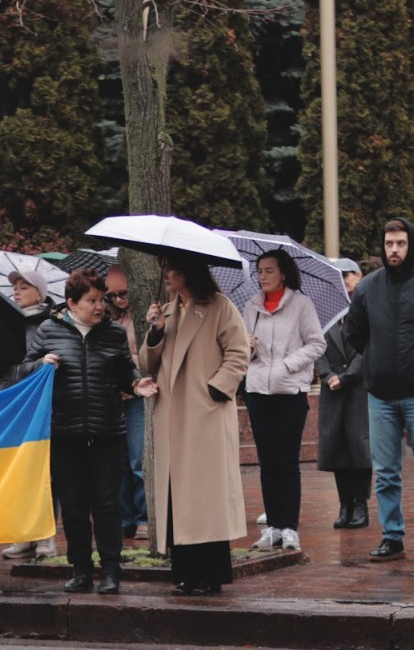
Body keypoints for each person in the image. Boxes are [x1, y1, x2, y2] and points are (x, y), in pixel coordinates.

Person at [19, 269, 149, 593]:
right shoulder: (48, 330)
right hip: (65, 434)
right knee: (74, 509)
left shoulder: (114, 333)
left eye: (102, 300)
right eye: (91, 300)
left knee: (107, 507)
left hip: (107, 433)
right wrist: (41, 364)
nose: (100, 307)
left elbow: (125, 372)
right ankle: (80, 570)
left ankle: (110, 571)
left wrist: (136, 383)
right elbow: (23, 371)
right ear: (71, 303)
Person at [344, 218, 414, 563]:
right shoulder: (368, 288)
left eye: (401, 243)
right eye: (389, 243)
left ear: (412, 245)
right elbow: (354, 334)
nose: (394, 249)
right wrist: (378, 362)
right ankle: (392, 536)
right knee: (386, 472)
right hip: (380, 395)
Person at [138, 257, 251, 595]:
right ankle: (186, 572)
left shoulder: (219, 307)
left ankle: (210, 574)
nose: (166, 276)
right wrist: (155, 332)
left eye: (170, 269)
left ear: (187, 273)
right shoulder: (167, 312)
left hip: (205, 415)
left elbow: (238, 351)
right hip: (173, 414)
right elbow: (147, 362)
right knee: (180, 497)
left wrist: (216, 388)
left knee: (204, 498)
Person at [238, 249, 323, 554]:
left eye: (269, 270)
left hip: (290, 392)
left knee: (287, 462)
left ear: (283, 273)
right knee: (267, 462)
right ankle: (272, 526)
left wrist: (288, 364)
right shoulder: (252, 306)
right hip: (258, 390)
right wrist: (246, 347)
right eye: (259, 271)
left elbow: (317, 343)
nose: (262, 276)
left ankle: (290, 527)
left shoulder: (301, 304)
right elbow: (242, 349)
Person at [0, 271, 61, 561]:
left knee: (44, 471)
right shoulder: (4, 321)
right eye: (15, 287)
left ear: (40, 292)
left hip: (41, 405)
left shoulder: (53, 323)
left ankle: (46, 536)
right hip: (11, 404)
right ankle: (22, 535)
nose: (17, 291)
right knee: (15, 470)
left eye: (24, 287)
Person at [316, 259, 371, 531]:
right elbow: (318, 346)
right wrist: (327, 376)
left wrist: (348, 377)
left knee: (359, 447)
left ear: (359, 277)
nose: (343, 280)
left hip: (358, 388)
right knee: (337, 448)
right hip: (332, 389)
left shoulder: (367, 306)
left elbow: (367, 348)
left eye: (347, 275)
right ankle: (344, 504)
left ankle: (361, 504)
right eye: (337, 275)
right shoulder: (326, 310)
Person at [100, 260, 149, 538]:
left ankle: (143, 516)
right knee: (116, 462)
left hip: (136, 396)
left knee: (137, 459)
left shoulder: (141, 318)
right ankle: (125, 517)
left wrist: (121, 360)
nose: (117, 300)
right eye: (111, 295)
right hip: (112, 397)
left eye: (123, 293)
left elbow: (148, 357)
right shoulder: (106, 319)